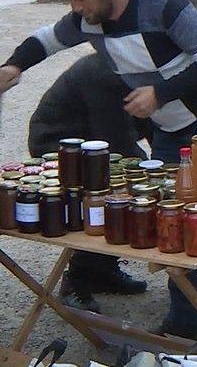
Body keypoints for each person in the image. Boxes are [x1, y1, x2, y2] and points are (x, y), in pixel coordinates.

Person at [0, 0, 197, 340]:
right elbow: (47, 40)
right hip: (169, 133)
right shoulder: (88, 20)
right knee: (174, 229)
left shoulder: (165, 8)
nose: (75, 7)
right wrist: (14, 65)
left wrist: (158, 94)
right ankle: (188, 323)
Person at [27, 54, 149, 313]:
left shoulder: (135, 68)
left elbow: (151, 124)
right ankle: (77, 279)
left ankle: (102, 271)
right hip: (57, 145)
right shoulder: (104, 74)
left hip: (91, 140)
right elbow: (116, 141)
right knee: (109, 194)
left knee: (122, 185)